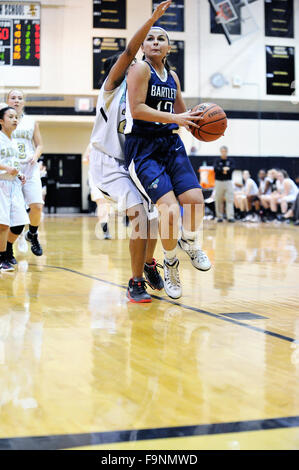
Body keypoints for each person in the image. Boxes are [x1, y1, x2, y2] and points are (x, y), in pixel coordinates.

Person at [89, 1, 173, 303]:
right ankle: (135, 281)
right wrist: (151, 22)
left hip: (135, 159)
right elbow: (128, 53)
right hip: (107, 161)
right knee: (139, 212)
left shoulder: (146, 88)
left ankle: (149, 265)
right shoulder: (113, 86)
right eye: (131, 65)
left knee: (153, 215)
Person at [124, 25, 211, 300]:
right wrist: (176, 119)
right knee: (170, 210)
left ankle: (190, 241)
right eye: (150, 38)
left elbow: (182, 112)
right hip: (144, 149)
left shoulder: (172, 76)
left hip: (171, 145)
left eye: (161, 39)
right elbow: (137, 109)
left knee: (196, 199)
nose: (155, 42)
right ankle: (171, 262)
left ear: (168, 47)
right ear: (143, 46)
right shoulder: (140, 69)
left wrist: (203, 120)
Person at [6, 89, 44, 260]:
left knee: (37, 205)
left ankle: (33, 234)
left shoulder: (31, 121)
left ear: (24, 102)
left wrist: (35, 157)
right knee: (13, 214)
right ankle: (7, 250)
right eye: (13, 98)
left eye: (20, 98)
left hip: (29, 168)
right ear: (7, 101)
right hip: (11, 170)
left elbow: (40, 145)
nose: (16, 100)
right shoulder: (3, 121)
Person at [0, 106, 29, 272]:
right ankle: (2, 257)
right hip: (1, 183)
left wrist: (19, 175)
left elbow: (14, 165)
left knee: (19, 222)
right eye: (10, 117)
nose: (15, 120)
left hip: (13, 184)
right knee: (3, 224)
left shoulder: (15, 142)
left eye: (16, 117)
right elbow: (6, 165)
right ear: (1, 121)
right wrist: (6, 168)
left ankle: (7, 250)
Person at [83, 143, 112, 240]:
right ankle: (105, 230)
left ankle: (106, 227)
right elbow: (85, 160)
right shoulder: (92, 144)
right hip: (96, 177)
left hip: (108, 177)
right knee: (102, 202)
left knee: (106, 204)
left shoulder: (107, 142)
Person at [213, 145, 235, 222]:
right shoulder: (217, 161)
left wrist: (223, 170)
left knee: (230, 199)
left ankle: (230, 217)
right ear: (220, 152)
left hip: (228, 182)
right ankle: (219, 217)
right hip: (219, 182)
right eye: (222, 151)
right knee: (218, 200)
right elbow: (216, 169)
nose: (224, 153)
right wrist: (224, 169)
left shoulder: (231, 160)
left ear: (227, 152)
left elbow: (232, 169)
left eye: (225, 151)